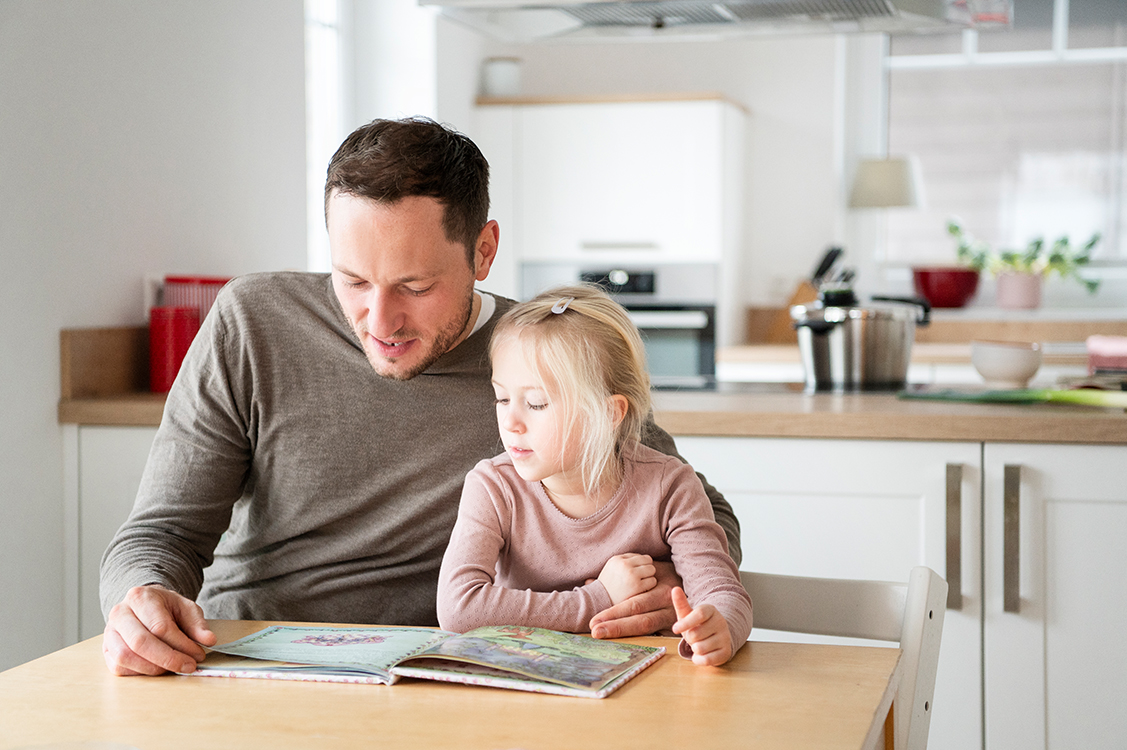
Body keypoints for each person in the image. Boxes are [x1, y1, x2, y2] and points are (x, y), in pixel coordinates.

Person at [99, 116, 742, 677]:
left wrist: (671, 585)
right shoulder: (253, 321)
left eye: (415, 286)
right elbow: (162, 533)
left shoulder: (541, 357)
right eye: (353, 280)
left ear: (483, 252)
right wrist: (140, 599)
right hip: (255, 659)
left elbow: (699, 510)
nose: (380, 322)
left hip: (448, 674)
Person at [436, 284, 752, 665]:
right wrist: (598, 598)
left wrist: (721, 629)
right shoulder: (492, 488)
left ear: (608, 414)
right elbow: (458, 608)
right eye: (502, 398)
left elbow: (722, 593)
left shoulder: (670, 488)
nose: (511, 422)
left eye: (536, 403)